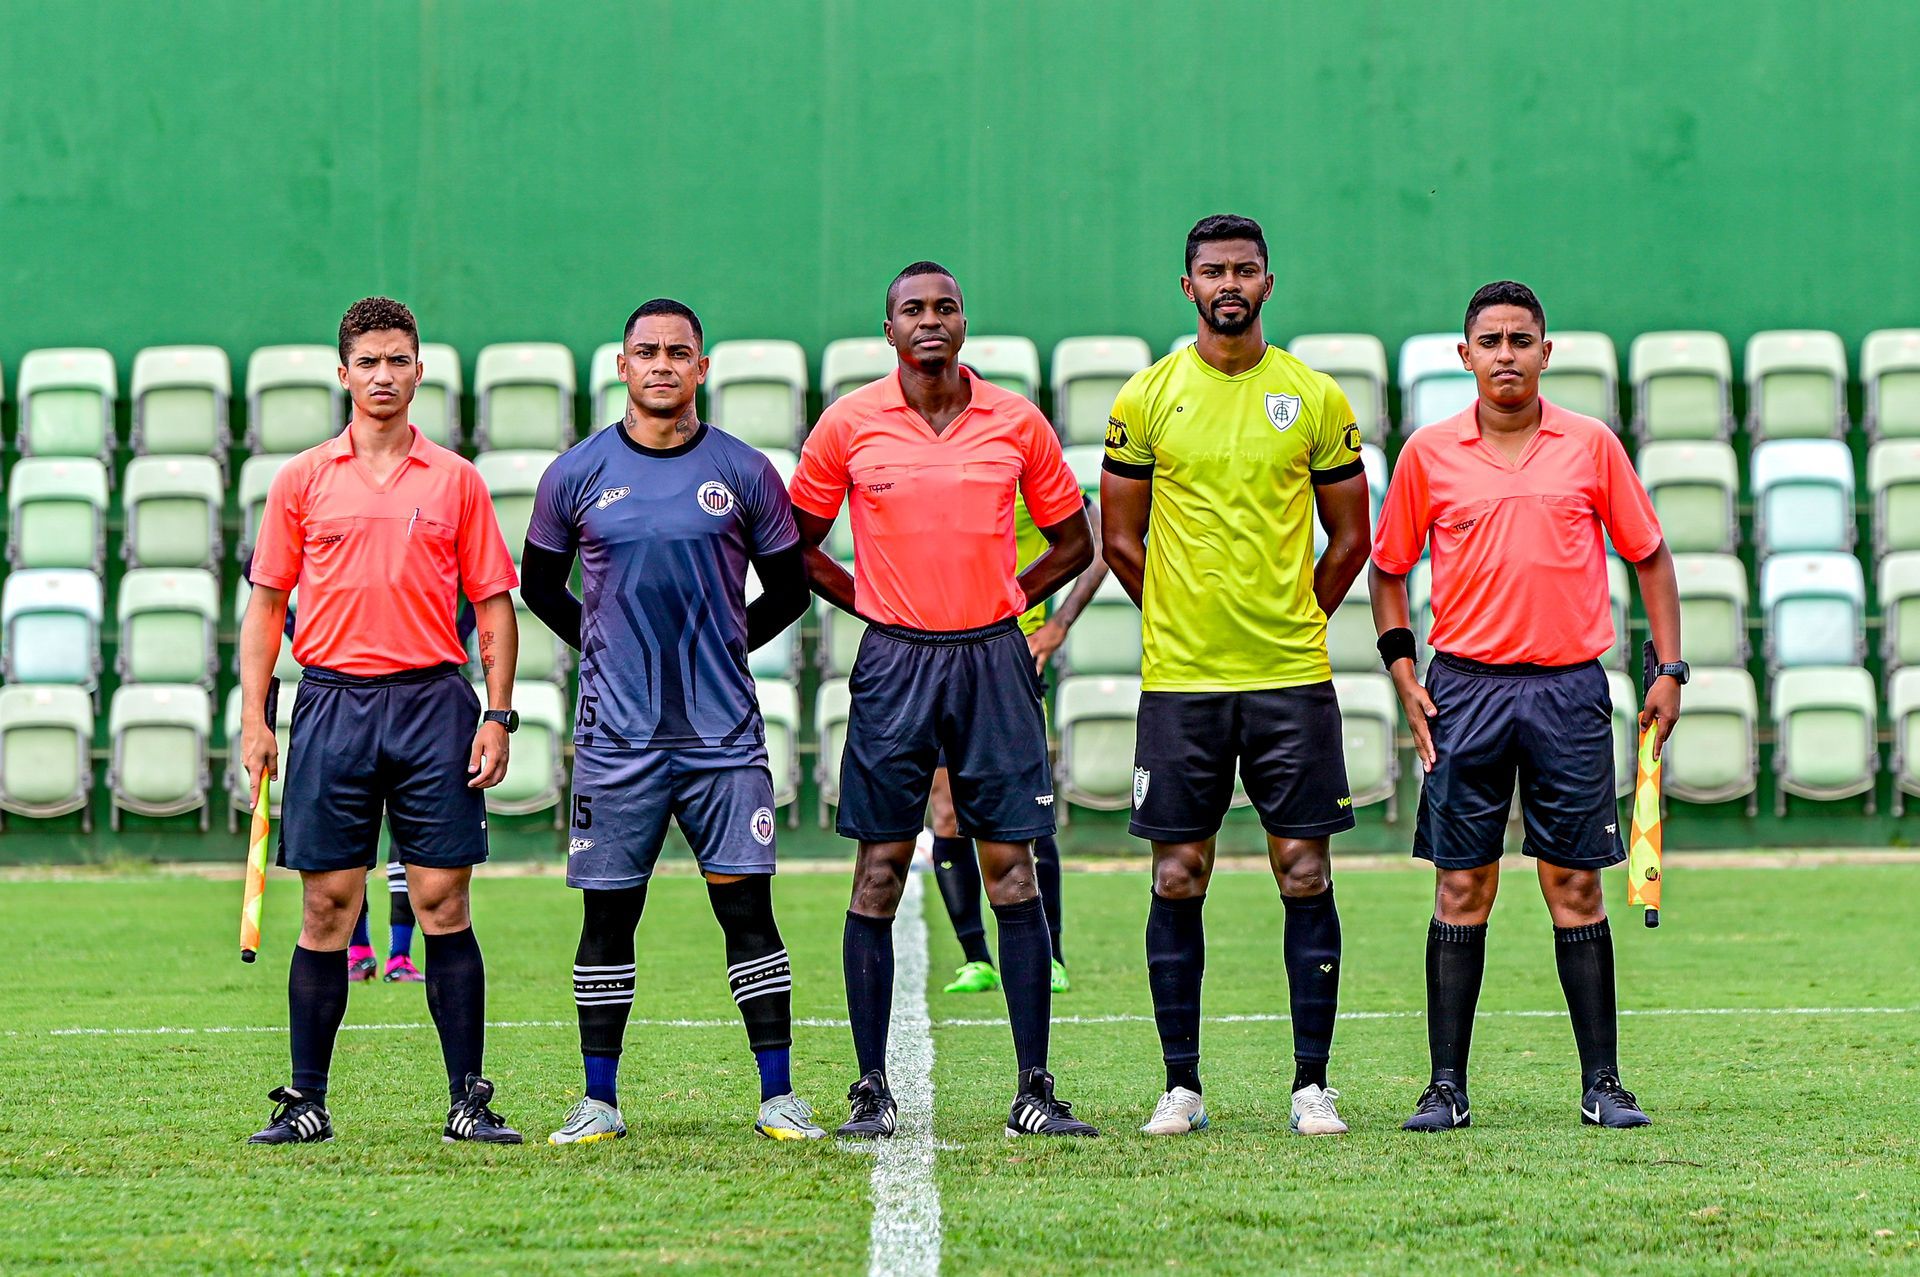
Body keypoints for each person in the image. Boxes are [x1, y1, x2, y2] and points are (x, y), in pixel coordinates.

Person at [790, 261, 1098, 1138]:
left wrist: (1009, 600)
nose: (930, 319)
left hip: (991, 661)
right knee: (879, 871)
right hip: (895, 664)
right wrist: (869, 604)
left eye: (945, 306)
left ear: (964, 322)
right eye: (912, 309)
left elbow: (1074, 542)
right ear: (889, 329)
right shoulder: (848, 424)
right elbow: (798, 544)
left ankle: (1034, 1087)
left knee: (1013, 868)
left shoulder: (1015, 421)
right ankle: (870, 1088)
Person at [1369, 280, 1682, 1132]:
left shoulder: (1591, 445)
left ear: (1549, 351)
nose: (1506, 353)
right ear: (1463, 354)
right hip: (1464, 688)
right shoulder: (1429, 453)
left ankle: (1603, 1083)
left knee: (1574, 883)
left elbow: (1651, 557)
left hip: (1569, 689)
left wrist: (1670, 668)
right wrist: (1404, 672)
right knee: (1461, 884)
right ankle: (1445, 1087)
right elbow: (1387, 570)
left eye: (1521, 338)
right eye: (1490, 340)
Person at [520, 298, 822, 1144]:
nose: (661, 364)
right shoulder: (574, 474)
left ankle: (777, 1097)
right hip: (617, 741)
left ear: (702, 367)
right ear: (622, 366)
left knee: (747, 910)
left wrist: (726, 646)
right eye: (645, 351)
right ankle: (599, 1102)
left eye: (677, 352)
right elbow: (541, 586)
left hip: (723, 740)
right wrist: (604, 645)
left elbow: (791, 590)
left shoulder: (747, 470)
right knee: (608, 917)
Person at [1101, 214, 1371, 1138]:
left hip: (1291, 675)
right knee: (1179, 873)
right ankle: (1182, 1085)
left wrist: (1297, 618)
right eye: (1213, 270)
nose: (1229, 283)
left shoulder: (1316, 397)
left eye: (1245, 270)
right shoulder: (1145, 399)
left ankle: (1311, 1085)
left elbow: (1352, 539)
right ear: (1187, 287)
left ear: (1268, 281)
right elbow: (1119, 539)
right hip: (1181, 681)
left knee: (1303, 869)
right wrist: (1180, 616)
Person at [241, 297, 522, 1145]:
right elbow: (264, 608)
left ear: (419, 370)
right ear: (343, 374)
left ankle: (466, 1101)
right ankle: (307, 1101)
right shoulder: (301, 479)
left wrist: (499, 714)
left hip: (435, 703)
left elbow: (495, 608)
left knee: (442, 900)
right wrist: (255, 718)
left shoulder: (458, 480)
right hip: (329, 702)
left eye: (398, 360)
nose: (384, 375)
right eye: (368, 362)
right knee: (327, 906)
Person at [932, 480, 1109, 996]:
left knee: (1028, 810)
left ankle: (1050, 955)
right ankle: (976, 959)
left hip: (1011, 657)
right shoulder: (922, 461)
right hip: (935, 659)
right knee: (945, 809)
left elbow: (1098, 537)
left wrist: (1057, 626)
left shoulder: (1014, 458)